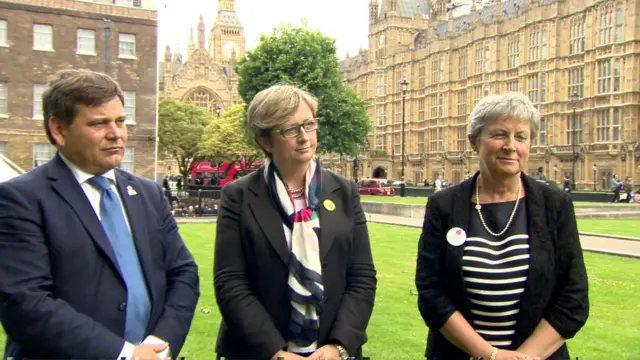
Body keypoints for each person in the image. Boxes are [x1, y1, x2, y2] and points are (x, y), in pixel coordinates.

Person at [0, 69, 200, 360]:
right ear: (58, 129)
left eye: (120, 121)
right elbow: (26, 303)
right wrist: (123, 354)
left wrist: (159, 345)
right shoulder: (22, 199)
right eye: (98, 123)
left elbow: (183, 273)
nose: (115, 133)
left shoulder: (147, 194)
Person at [415, 92, 588, 360]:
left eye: (521, 136)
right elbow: (431, 293)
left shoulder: (555, 205)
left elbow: (573, 298)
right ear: (474, 141)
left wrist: (523, 357)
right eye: (499, 135)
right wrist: (490, 355)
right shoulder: (444, 206)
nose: (511, 146)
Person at [214, 84, 377, 360]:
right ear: (266, 141)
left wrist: (339, 345)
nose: (304, 137)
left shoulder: (344, 192)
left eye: (309, 124)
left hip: (331, 351)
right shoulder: (239, 196)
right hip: (260, 352)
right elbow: (231, 282)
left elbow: (362, 277)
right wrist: (274, 352)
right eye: (290, 130)